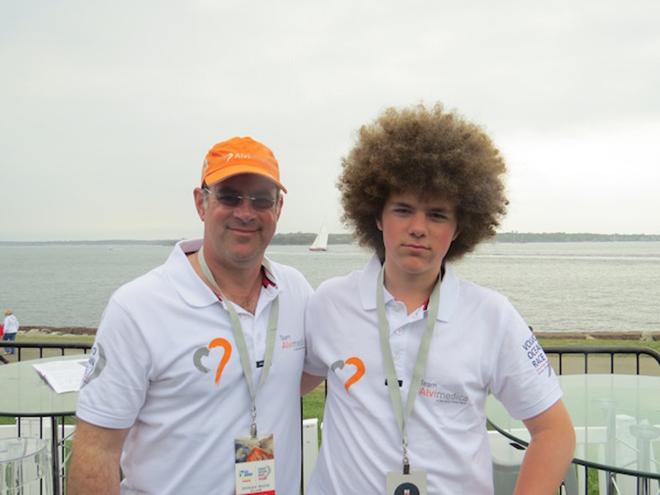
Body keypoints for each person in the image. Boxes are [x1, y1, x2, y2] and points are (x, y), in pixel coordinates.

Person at [302, 104, 576, 494]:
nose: (418, 228)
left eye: (437, 215)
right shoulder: (329, 304)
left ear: (460, 226)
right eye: (403, 210)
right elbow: (284, 382)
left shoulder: (492, 316)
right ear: (376, 215)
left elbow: (554, 431)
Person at [68, 137, 313, 494]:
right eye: (229, 196)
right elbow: (97, 448)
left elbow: (302, 377)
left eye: (261, 199)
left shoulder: (296, 291)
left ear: (278, 208)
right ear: (201, 203)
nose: (245, 212)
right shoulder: (138, 306)